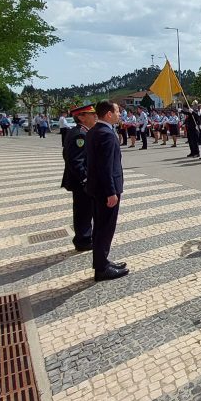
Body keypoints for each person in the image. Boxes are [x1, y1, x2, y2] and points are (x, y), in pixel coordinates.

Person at [85, 100, 129, 281]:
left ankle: (102, 261)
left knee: (99, 228)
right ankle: (102, 269)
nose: (120, 114)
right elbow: (105, 167)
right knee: (105, 228)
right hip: (106, 190)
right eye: (117, 111)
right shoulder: (107, 135)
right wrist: (111, 192)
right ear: (109, 114)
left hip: (96, 188)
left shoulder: (94, 131)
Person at [61, 104, 98, 252]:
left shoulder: (81, 132)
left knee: (85, 210)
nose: (95, 116)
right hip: (80, 182)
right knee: (83, 211)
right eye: (91, 114)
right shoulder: (80, 134)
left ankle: (85, 237)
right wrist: (85, 180)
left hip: (80, 180)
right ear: (81, 117)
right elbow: (75, 160)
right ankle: (83, 240)